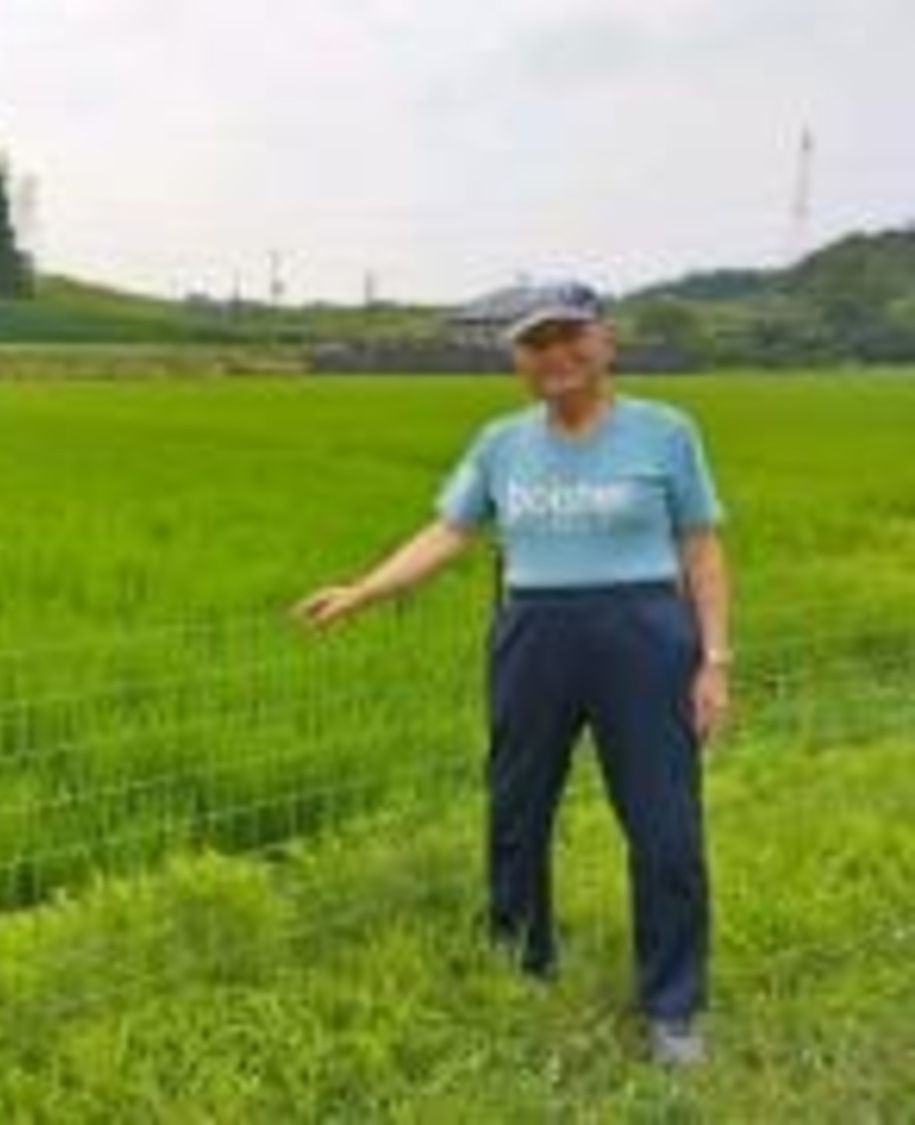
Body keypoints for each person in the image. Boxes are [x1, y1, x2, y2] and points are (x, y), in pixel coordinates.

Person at [292, 280, 732, 1067]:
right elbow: (448, 531)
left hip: (643, 635)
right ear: (518, 361)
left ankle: (673, 1005)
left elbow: (700, 548)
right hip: (533, 633)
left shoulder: (666, 432)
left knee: (665, 822)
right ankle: (520, 954)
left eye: (569, 336)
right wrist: (362, 590)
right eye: (535, 344)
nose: (554, 355)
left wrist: (715, 660)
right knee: (517, 803)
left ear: (605, 342)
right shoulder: (501, 443)